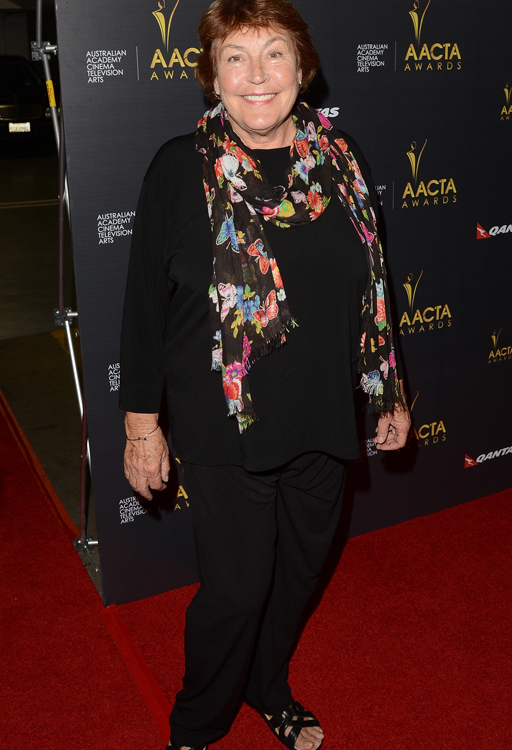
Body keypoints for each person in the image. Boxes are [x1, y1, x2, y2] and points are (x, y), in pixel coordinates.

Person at [120, 1, 411, 748]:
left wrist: (389, 388)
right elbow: (145, 309)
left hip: (322, 415)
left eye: (274, 52)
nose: (257, 75)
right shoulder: (179, 169)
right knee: (238, 591)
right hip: (226, 424)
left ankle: (267, 684)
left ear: (302, 68)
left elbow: (372, 287)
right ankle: (196, 723)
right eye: (236, 57)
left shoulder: (342, 160)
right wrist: (142, 427)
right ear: (212, 76)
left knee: (299, 574)